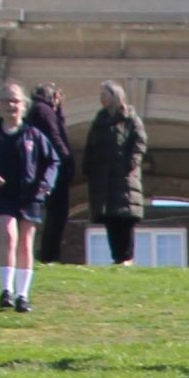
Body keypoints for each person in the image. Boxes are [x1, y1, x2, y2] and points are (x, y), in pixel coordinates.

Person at [0, 81, 59, 313]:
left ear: (24, 105)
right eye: (5, 101)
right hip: (3, 196)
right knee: (8, 236)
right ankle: (6, 291)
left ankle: (23, 295)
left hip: (30, 196)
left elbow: (53, 161)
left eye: (15, 101)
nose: (11, 105)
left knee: (25, 243)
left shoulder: (34, 135)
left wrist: (45, 185)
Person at [85, 81, 148, 266]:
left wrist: (132, 162)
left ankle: (127, 256)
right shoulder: (99, 120)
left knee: (125, 218)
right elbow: (91, 145)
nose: (101, 98)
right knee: (110, 217)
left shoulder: (131, 118)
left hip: (124, 177)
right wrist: (89, 166)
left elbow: (140, 141)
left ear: (115, 96)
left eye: (105, 94)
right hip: (104, 178)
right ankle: (117, 256)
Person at [29, 83, 76, 264]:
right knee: (56, 212)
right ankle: (49, 254)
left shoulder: (43, 111)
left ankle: (49, 253)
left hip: (48, 166)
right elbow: (55, 136)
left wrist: (59, 111)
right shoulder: (43, 111)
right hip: (51, 168)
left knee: (56, 213)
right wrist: (67, 158)